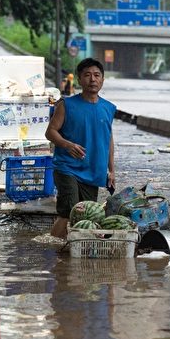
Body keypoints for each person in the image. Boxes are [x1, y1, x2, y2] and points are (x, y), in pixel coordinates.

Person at [45, 58, 116, 239]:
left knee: (87, 216)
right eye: (87, 75)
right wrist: (67, 145)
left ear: (102, 80)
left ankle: (71, 250)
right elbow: (50, 132)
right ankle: (51, 249)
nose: (92, 79)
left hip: (93, 171)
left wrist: (111, 170)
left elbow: (108, 140)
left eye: (97, 75)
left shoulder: (108, 108)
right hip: (67, 167)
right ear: (79, 80)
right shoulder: (66, 105)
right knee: (70, 212)